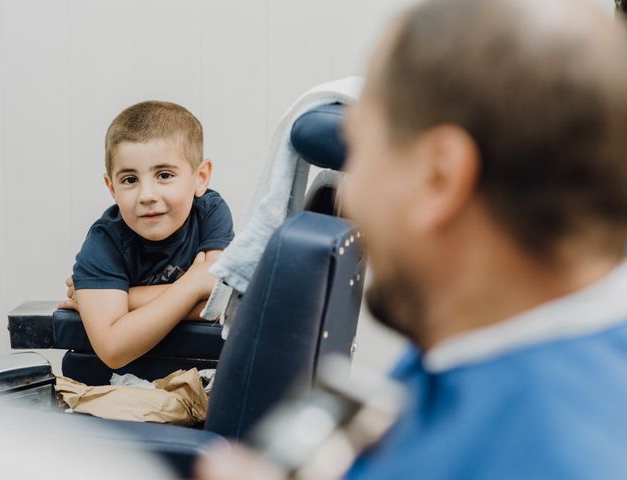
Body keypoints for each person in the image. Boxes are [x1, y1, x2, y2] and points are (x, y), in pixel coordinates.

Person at [198, 0, 627, 478]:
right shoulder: (476, 343)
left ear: (440, 177)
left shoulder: (549, 456)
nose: (352, 194)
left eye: (362, 153)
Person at [59, 101, 234, 370]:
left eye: (164, 175)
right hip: (123, 385)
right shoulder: (105, 242)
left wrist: (123, 300)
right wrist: (194, 283)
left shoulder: (209, 212)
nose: (147, 196)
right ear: (111, 187)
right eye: (130, 179)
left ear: (200, 177)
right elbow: (113, 350)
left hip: (201, 373)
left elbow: (222, 302)